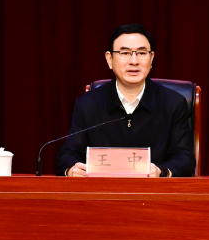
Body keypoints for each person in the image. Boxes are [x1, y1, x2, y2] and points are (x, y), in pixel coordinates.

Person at [57, 23, 195, 178]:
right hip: (102, 190)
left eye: (141, 53)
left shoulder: (173, 103)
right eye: (125, 53)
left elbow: (185, 158)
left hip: (153, 190)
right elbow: (68, 154)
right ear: (109, 59)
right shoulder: (87, 105)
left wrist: (161, 171)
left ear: (151, 58)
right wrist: (71, 169)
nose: (134, 61)